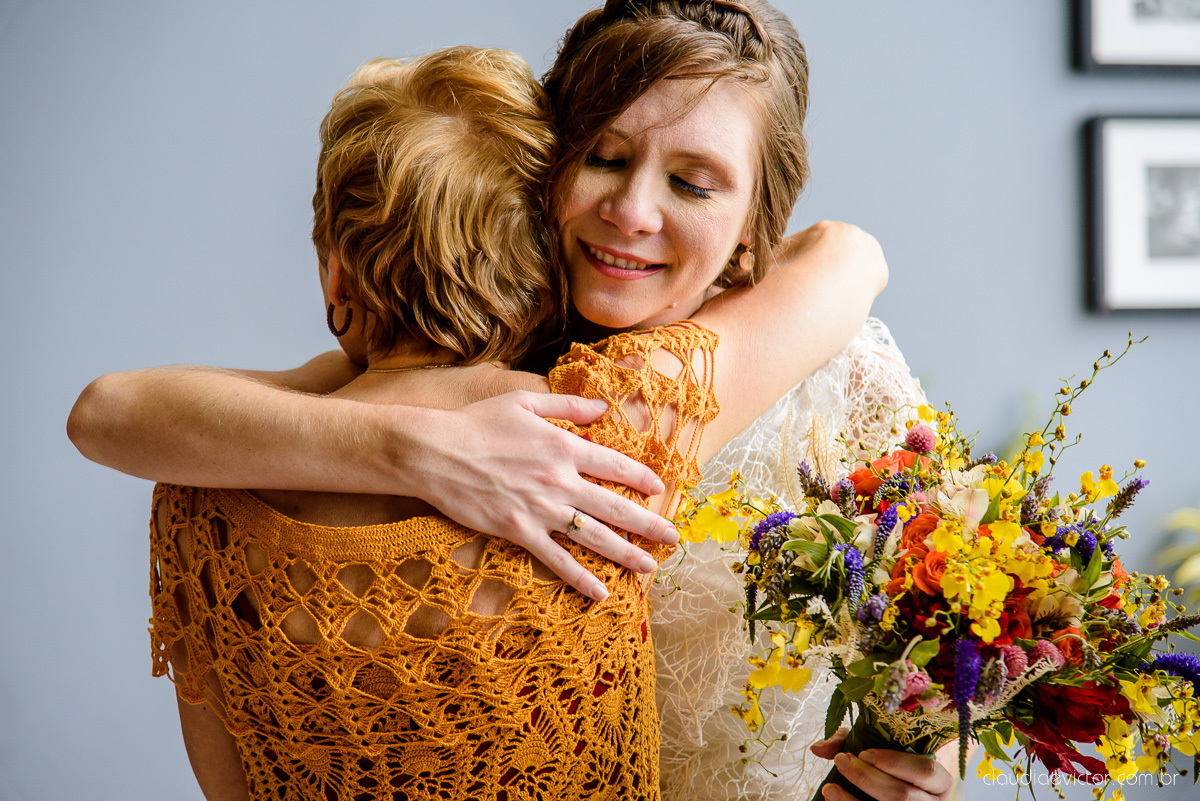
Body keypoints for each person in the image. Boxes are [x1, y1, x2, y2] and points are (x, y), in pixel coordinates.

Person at [69, 2, 957, 800]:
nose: (632, 211)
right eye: (604, 157)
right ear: (541, 179)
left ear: (758, 227)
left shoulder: (835, 377)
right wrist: (424, 448)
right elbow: (115, 412)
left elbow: (942, 644)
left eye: (693, 182)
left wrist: (927, 755)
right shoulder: (568, 398)